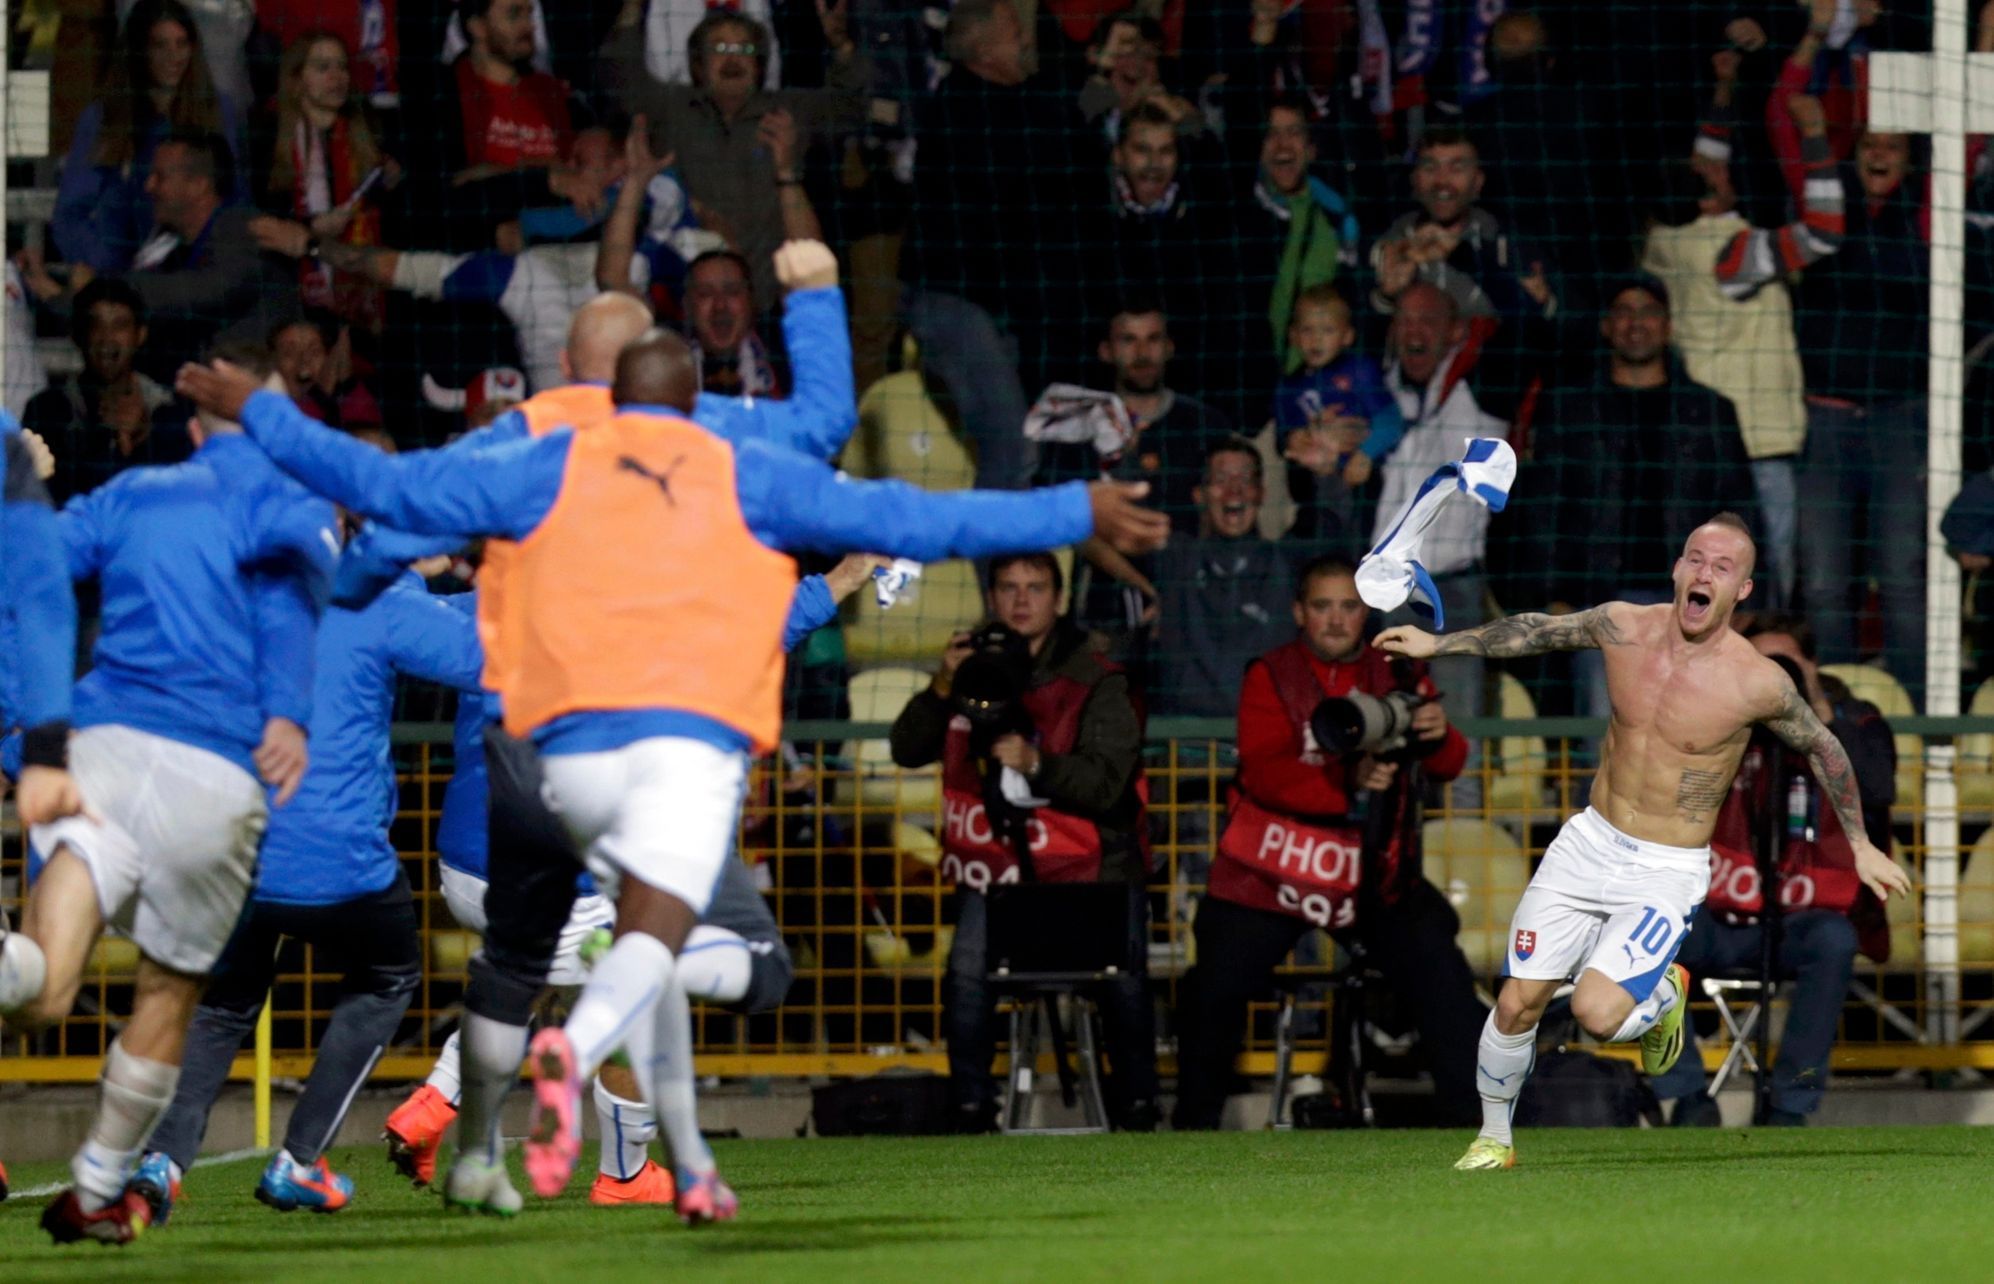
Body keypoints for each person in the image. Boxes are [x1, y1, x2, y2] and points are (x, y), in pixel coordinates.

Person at [176, 329, 1168, 1220]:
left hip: (527, 791)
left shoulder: (534, 478)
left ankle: (490, 1132)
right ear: (691, 403)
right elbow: (904, 512)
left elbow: (383, 493)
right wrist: (1071, 500)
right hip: (653, 781)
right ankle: (600, 1139)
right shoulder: (726, 487)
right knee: (713, 968)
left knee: (528, 970)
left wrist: (264, 420)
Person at [325, 250, 847, 1217]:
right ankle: (617, 1167)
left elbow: (394, 539)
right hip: (599, 797)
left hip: (481, 837)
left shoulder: (503, 510)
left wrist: (392, 568)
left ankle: (455, 1123)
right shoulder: (666, 492)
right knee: (667, 968)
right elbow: (801, 472)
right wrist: (815, 297)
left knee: (530, 973)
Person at [1376, 513, 1912, 1170]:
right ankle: (1495, 1140)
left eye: (1723, 567)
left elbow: (1825, 748)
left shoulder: (1756, 682)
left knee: (1601, 1016)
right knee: (1516, 1003)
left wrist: (1858, 844)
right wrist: (1440, 645)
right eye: (1696, 558)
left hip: (1665, 867)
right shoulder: (1623, 625)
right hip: (1587, 843)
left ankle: (1662, 999)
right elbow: (1537, 632)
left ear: (1741, 590)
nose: (1704, 572)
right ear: (1677, 567)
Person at [379, 555, 872, 1206]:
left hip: (466, 867)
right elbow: (751, 633)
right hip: (559, 864)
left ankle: (436, 1102)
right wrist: (838, 582)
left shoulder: (485, 611)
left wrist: (406, 567)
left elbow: (390, 619)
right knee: (644, 983)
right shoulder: (637, 621)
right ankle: (622, 1169)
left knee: (536, 978)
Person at [0, 345, 336, 1245]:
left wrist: (22, 486)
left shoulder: (131, 494)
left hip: (100, 752)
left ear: (192, 429)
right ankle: (100, 1184)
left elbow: (32, 571)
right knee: (169, 994)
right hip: (215, 773)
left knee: (44, 983)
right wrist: (290, 712)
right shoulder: (294, 503)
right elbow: (291, 605)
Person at [132, 546, 487, 1222]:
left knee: (224, 1003)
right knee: (387, 976)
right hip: (339, 858)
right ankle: (298, 1160)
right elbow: (482, 655)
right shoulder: (380, 600)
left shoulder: (245, 594)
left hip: (239, 845)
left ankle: (163, 1160)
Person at [1173, 553, 1483, 1130]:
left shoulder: (1397, 668)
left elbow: (1450, 763)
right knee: (1211, 987)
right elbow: (1266, 774)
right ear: (1298, 612)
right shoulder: (1268, 672)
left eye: (1349, 606)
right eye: (1322, 606)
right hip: (1268, 874)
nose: (1337, 620)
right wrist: (1349, 781)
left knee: (1439, 964)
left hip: (1372, 873)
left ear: (1365, 612)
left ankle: (1476, 1124)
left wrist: (1439, 736)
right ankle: (1192, 1129)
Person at [887, 552, 1158, 1131]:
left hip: (1094, 870)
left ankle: (1138, 1109)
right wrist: (942, 686)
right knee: (964, 970)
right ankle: (970, 1110)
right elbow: (907, 749)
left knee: (1125, 979)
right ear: (991, 598)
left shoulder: (1096, 674)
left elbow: (1109, 786)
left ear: (1058, 599)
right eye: (1008, 588)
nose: (1020, 601)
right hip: (1001, 872)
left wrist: (1039, 764)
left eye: (1035, 588)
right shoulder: (973, 664)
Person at [1653, 612, 1895, 1126]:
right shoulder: (1713, 718)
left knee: (1834, 940)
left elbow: (1876, 788)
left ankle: (1789, 1105)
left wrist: (1816, 709)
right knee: (1650, 928)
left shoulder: (1856, 719)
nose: (1770, 675)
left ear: (1810, 665)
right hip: (1716, 916)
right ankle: (1686, 1097)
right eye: (1755, 663)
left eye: (1783, 665)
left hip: (1798, 920)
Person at [1642, 67, 1844, 608]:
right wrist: (1817, 139)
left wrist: (1727, 89)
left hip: (1700, 439)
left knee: (1702, 582)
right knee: (1758, 586)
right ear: (1709, 197)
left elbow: (1707, 160)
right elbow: (1824, 232)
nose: (1714, 163)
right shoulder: (1732, 251)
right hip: (1758, 444)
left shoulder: (1661, 243)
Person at [1527, 276, 1759, 720]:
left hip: (1692, 599)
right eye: (1625, 312)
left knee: (1687, 730)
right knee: (1604, 734)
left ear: (1668, 326)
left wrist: (1748, 597)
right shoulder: (1569, 409)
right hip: (1599, 600)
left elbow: (1739, 506)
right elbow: (1545, 507)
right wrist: (1554, 593)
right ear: (1607, 326)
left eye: (1649, 311)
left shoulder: (1709, 411)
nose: (1637, 323)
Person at [599, 5, 869, 310]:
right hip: (685, 305)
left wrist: (842, 47)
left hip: (769, 309)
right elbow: (620, 76)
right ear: (698, 65)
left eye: (745, 48)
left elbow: (852, 108)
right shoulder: (670, 109)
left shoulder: (788, 112)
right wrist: (633, 8)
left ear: (759, 64)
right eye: (720, 48)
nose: (732, 58)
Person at [1367, 282, 1506, 797]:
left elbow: (1530, 328)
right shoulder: (1381, 395)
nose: (1414, 331)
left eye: (1428, 320)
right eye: (1404, 320)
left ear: (1454, 332)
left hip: (1453, 595)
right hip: (1385, 595)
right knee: (1390, 729)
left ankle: (1463, 855)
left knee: (1457, 728)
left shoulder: (1480, 388)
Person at [53, 0, 245, 274]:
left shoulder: (217, 110)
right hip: (117, 274)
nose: (173, 57)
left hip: (198, 272)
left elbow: (234, 199)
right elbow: (71, 215)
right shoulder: (101, 118)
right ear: (138, 50)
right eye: (160, 45)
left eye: (181, 44)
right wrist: (108, 273)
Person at [249, 30, 397, 331]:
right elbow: (259, 219)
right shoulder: (268, 133)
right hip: (291, 294)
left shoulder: (365, 129)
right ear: (296, 77)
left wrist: (392, 182)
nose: (337, 76)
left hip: (362, 293)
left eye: (342, 66)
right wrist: (311, 228)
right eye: (322, 67)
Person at [1149, 438, 1295, 718]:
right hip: (1190, 739)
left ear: (1261, 493)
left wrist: (1328, 478)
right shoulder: (1174, 558)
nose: (1234, 491)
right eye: (1220, 480)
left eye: (1245, 479)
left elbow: (1338, 535)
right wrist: (1145, 587)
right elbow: (1097, 531)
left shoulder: (1290, 561)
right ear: (1198, 495)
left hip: (1268, 730)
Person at [22, 277, 191, 505]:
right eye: (95, 325)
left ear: (140, 335)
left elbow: (174, 500)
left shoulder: (171, 413)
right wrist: (102, 435)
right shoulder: (45, 410)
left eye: (120, 325)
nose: (106, 339)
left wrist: (142, 439)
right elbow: (51, 500)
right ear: (77, 335)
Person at [1275, 284, 1401, 542]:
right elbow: (1281, 433)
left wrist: (1365, 455)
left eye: (1327, 330)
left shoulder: (1359, 371)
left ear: (1347, 336)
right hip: (1312, 495)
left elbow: (1391, 421)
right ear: (1293, 335)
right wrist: (1293, 438)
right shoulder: (1289, 386)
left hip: (1360, 489)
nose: (1316, 339)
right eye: (1307, 330)